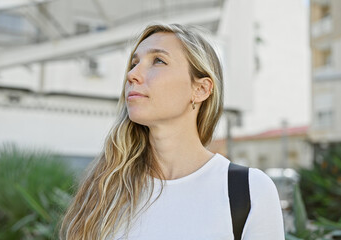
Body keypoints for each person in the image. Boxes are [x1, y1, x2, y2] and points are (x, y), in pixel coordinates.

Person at [60, 23, 285, 240]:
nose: (132, 75)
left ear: (200, 89)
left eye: (158, 61)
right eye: (134, 63)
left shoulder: (248, 190)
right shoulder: (106, 187)